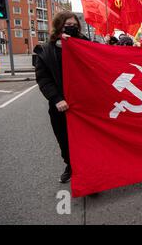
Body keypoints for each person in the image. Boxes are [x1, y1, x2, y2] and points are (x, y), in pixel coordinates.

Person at [34, 11, 89, 183]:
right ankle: (70, 165)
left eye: (74, 25)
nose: (72, 28)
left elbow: (106, 58)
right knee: (64, 141)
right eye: (68, 25)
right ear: (59, 26)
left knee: (86, 142)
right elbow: (43, 79)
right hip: (61, 106)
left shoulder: (85, 44)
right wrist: (56, 99)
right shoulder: (45, 50)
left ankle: (88, 175)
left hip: (84, 105)